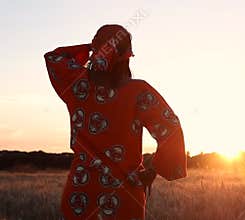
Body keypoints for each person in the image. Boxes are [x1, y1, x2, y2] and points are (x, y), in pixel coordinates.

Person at [44, 24, 187, 220]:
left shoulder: (78, 85)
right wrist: (155, 169)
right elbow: (171, 127)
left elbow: (54, 58)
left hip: (79, 196)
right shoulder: (138, 92)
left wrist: (94, 48)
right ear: (127, 55)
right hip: (123, 200)